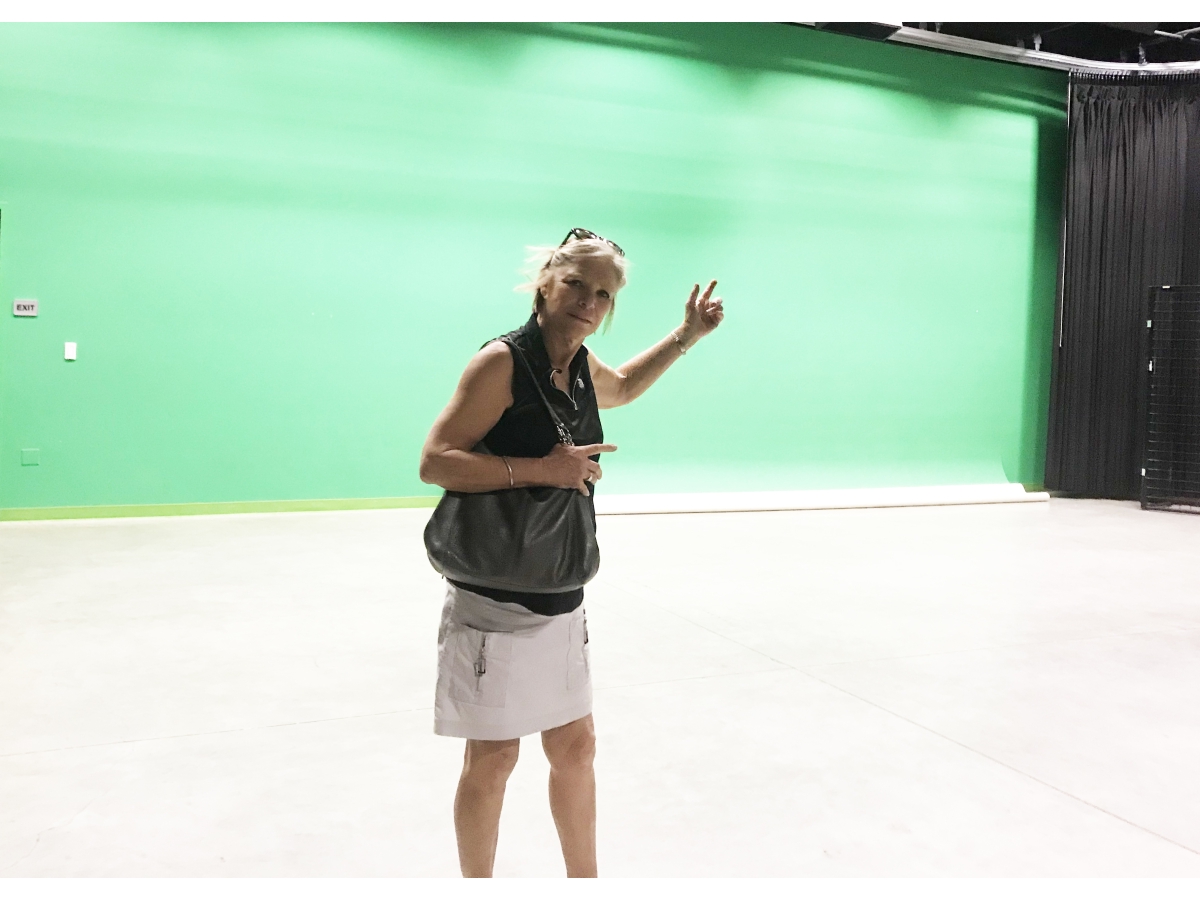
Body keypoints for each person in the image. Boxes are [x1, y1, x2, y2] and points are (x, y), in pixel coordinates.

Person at [418, 227, 724, 877]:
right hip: (494, 599)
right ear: (545, 284)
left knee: (576, 748)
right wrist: (542, 469)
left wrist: (687, 335)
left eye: (603, 293)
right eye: (577, 283)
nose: (589, 300)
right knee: (494, 759)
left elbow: (625, 387)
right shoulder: (501, 363)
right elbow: (435, 461)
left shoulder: (580, 366)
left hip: (561, 593)